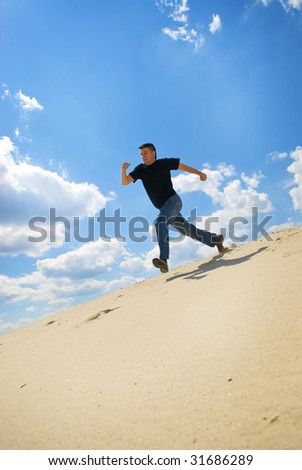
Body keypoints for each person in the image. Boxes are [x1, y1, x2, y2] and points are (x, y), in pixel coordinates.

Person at [121, 143, 225, 273]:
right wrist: (123, 170)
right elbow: (125, 182)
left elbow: (183, 167)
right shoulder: (140, 170)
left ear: (153, 152)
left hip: (173, 201)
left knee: (160, 222)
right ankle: (216, 239)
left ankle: (163, 260)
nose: (143, 157)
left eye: (145, 153)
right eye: (141, 154)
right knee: (188, 230)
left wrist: (200, 173)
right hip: (164, 208)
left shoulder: (164, 163)